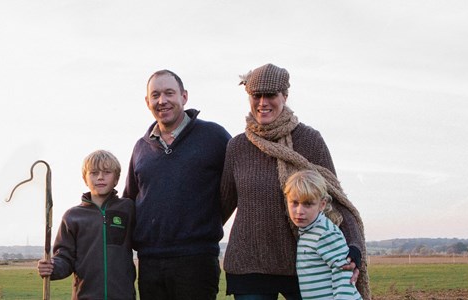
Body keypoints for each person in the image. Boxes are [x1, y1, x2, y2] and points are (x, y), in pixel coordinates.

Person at [220, 63, 369, 299]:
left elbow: (336, 199)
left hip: (304, 264)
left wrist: (355, 247)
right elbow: (222, 205)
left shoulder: (309, 140)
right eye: (256, 95)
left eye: (270, 95)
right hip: (249, 264)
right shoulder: (237, 146)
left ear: (285, 96)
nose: (262, 103)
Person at [124, 69, 231, 299]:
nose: (162, 101)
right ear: (147, 102)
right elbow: (129, 201)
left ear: (184, 96)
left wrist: (204, 221)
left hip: (196, 259)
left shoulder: (214, 136)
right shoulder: (141, 147)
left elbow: (234, 189)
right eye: (155, 95)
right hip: (150, 262)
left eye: (169, 93)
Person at [37, 150, 136, 300]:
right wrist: (53, 267)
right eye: (94, 173)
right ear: (85, 179)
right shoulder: (73, 216)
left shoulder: (128, 209)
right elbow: (64, 257)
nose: (100, 177)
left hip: (123, 296)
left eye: (107, 172)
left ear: (116, 179)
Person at [284, 170, 362, 300]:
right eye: (294, 203)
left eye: (308, 204)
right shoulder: (307, 231)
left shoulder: (326, 233)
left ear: (322, 204)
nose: (299, 211)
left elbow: (343, 274)